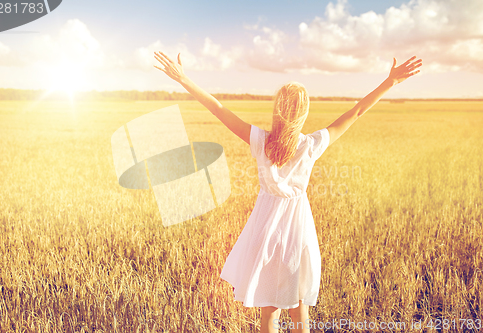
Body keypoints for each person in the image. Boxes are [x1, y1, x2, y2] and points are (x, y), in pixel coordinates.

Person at [154, 51, 422, 333]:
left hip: (266, 229)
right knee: (299, 312)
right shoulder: (311, 145)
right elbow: (356, 112)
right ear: (303, 113)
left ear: (276, 110)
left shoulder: (260, 141)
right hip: (297, 231)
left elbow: (218, 109)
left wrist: (183, 78)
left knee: (270, 312)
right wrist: (390, 82)